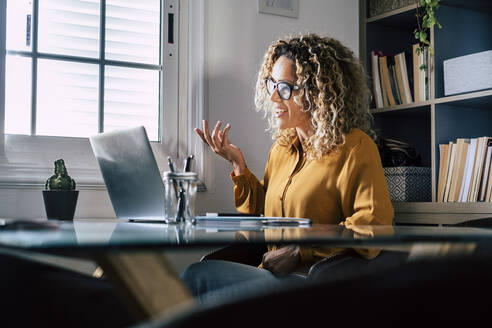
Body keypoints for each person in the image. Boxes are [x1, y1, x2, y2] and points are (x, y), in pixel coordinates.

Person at [182, 33, 394, 299]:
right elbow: (263, 218)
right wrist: (238, 166)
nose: (273, 98)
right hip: (270, 275)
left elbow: (373, 230)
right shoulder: (282, 148)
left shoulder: (356, 148)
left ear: (317, 92)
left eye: (284, 88)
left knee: (196, 277)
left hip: (312, 284)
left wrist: (300, 251)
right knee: (197, 275)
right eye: (272, 84)